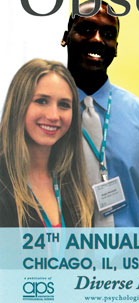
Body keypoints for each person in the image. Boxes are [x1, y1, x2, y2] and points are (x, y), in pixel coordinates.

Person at [61, 0, 139, 227]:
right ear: (66, 37)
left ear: (115, 47)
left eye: (107, 33)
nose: (97, 39)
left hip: (130, 259)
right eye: (86, 29)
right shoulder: (36, 116)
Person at [0, 59, 94, 227]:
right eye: (42, 101)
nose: (53, 115)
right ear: (18, 104)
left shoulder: (73, 184)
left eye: (64, 105)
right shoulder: (3, 182)